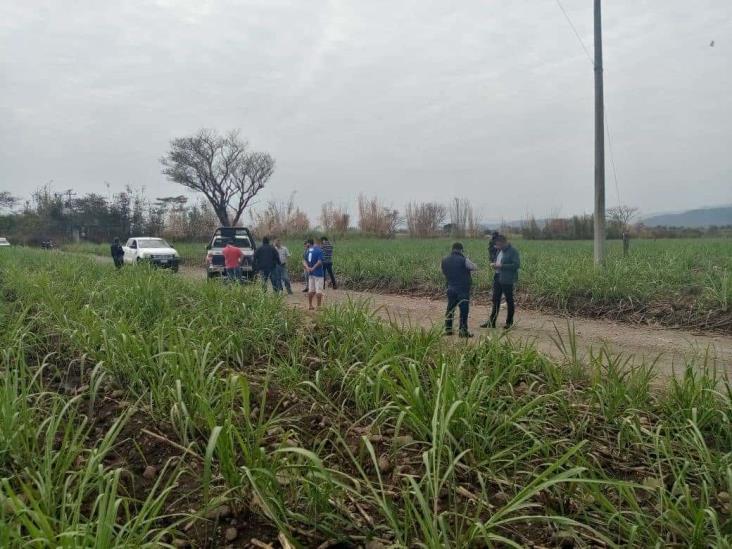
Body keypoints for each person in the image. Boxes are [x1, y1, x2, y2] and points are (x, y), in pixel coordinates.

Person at [482, 235, 520, 329]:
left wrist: (501, 266)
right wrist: (494, 265)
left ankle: (509, 323)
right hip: (497, 277)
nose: (497, 247)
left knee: (509, 300)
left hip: (507, 279)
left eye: (498, 245)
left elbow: (516, 265)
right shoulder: (500, 250)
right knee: (495, 299)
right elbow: (498, 261)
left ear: (504, 242)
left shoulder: (513, 251)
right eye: (496, 245)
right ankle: (492, 322)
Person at [441, 242, 477, 338]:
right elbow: (474, 267)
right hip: (462, 289)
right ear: (461, 250)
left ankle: (448, 330)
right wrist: (467, 259)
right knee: (464, 310)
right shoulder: (464, 260)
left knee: (450, 309)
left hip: (450, 287)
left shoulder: (444, 260)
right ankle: (463, 331)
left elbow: (444, 271)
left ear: (452, 249)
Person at [303, 238, 325, 310]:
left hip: (310, 274)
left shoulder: (307, 251)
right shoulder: (319, 251)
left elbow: (304, 261)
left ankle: (310, 305)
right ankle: (318, 306)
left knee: (311, 290)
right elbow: (319, 262)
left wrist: (308, 268)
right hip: (318, 273)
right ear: (314, 243)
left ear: (309, 244)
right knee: (319, 290)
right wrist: (313, 268)